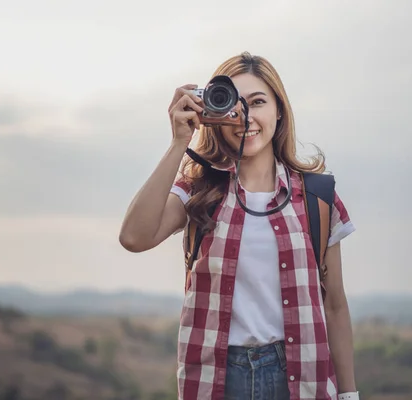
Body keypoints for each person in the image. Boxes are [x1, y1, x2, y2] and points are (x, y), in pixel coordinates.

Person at [119, 52, 358, 400]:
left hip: (302, 376)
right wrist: (178, 143)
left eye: (258, 102)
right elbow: (133, 237)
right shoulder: (199, 188)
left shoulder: (316, 196)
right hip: (218, 377)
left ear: (279, 109)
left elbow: (334, 304)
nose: (246, 116)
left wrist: (349, 395)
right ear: (214, 115)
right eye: (233, 104)